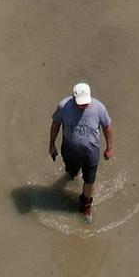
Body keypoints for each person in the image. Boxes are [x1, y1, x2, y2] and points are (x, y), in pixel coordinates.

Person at [48, 82, 113, 216]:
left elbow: (107, 128)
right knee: (71, 173)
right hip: (69, 150)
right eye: (80, 103)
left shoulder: (99, 108)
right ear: (73, 97)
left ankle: (86, 204)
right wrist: (52, 145)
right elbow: (55, 125)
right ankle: (73, 174)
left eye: (85, 102)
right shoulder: (63, 107)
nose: (83, 105)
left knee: (89, 180)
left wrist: (109, 148)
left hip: (91, 152)